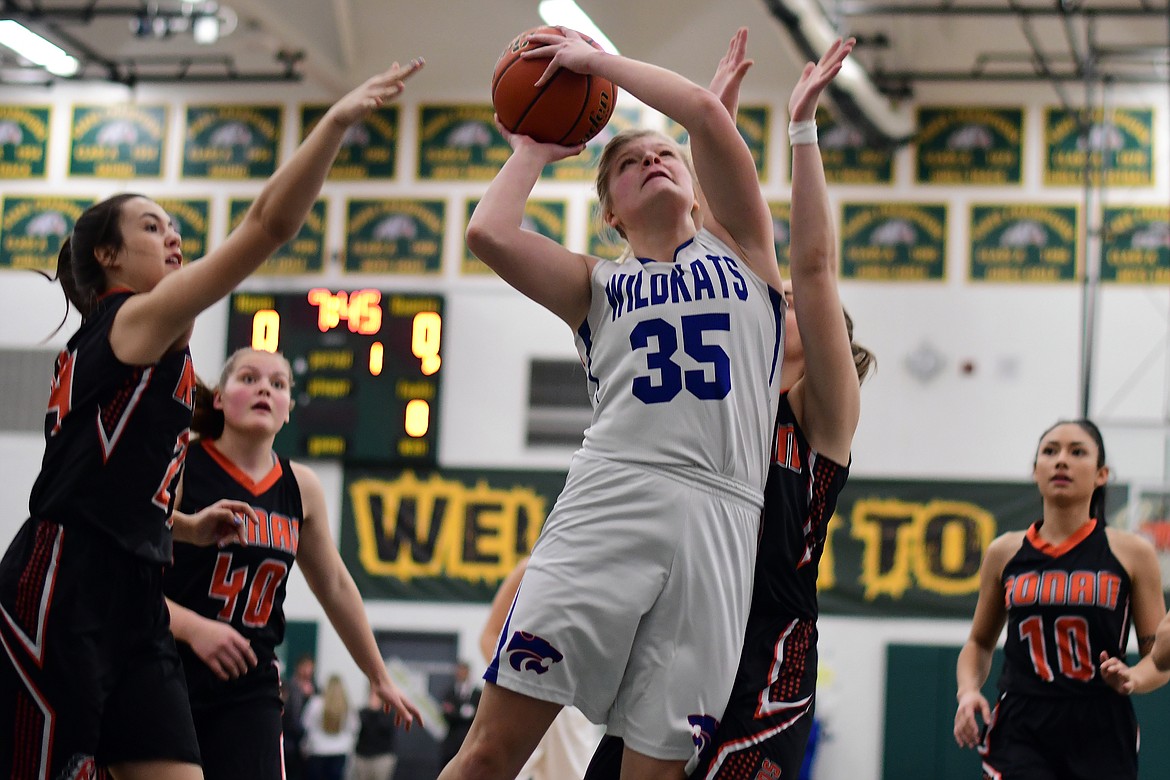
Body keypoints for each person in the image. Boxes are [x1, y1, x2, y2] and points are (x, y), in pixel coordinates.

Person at [0, 57, 422, 780]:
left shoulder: (154, 347)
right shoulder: (131, 318)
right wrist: (334, 123)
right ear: (108, 255)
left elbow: (109, 475)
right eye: (150, 226)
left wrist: (184, 528)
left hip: (135, 596)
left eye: (172, 226)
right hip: (62, 585)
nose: (172, 237)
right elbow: (267, 224)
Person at [450, 23, 786, 780]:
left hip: (724, 516)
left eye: (664, 155)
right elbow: (488, 231)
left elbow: (702, 112)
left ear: (697, 190)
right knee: (494, 748)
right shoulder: (595, 284)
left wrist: (594, 63)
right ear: (611, 213)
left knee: (655, 770)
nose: (653, 161)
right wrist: (531, 151)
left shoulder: (746, 253)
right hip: (615, 493)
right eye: (630, 163)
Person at [584, 30, 869, 780]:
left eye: (804, 312)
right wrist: (715, 117)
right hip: (677, 622)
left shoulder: (821, 420)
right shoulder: (713, 396)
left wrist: (801, 128)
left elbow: (810, 265)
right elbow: (713, 239)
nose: (781, 306)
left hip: (768, 652)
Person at [162, 346, 422, 780]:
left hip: (249, 682)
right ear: (221, 398)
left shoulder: (301, 486)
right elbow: (124, 574)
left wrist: (377, 675)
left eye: (278, 384)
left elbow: (336, 586)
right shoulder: (184, 464)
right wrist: (195, 629)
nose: (264, 387)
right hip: (167, 665)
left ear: (287, 410)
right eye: (248, 378)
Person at [954, 419, 1170, 780]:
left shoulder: (1132, 553)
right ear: (1035, 470)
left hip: (1101, 723)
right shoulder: (1004, 551)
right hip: (1022, 722)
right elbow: (979, 642)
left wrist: (1132, 678)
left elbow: (1159, 661)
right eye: (1050, 451)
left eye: (1077, 452)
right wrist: (967, 691)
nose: (1061, 461)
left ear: (1102, 474)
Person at [479, 558, 603, 780]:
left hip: (569, 705)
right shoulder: (532, 567)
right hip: (524, 698)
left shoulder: (595, 572)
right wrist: (516, 685)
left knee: (574, 775)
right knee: (496, 768)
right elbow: (489, 636)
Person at [302, 674, 358, 780]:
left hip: (317, 750)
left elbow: (305, 725)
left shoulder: (316, 703)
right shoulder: (347, 707)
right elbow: (354, 728)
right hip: (340, 751)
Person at [353, 684, 400, 780]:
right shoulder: (363, 713)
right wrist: (371, 711)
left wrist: (376, 712)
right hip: (363, 756)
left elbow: (386, 729)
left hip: (382, 757)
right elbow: (359, 730)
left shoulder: (389, 714)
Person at [284, 654, 319, 780]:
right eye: (305, 667)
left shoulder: (315, 688)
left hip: (309, 743)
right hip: (291, 742)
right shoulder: (288, 686)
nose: (308, 671)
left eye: (310, 667)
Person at [440, 661, 482, 768]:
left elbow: (479, 715)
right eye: (459, 671)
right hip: (452, 743)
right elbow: (446, 714)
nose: (461, 673)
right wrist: (462, 714)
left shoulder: (477, 693)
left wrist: (460, 713)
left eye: (463, 671)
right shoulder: (450, 693)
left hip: (470, 741)